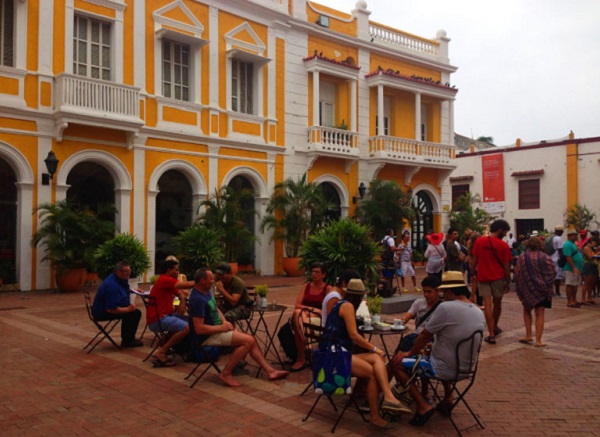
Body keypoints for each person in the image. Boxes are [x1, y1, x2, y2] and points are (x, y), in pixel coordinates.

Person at [390, 271, 486, 426]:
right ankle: (448, 397)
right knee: (427, 354)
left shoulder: (446, 307)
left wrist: (409, 353)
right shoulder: (477, 310)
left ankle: (423, 405)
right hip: (466, 369)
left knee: (397, 363)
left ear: (449, 290)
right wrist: (432, 347)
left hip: (443, 369)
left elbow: (424, 335)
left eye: (443, 290)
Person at [322, 278, 411, 429]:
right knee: (371, 372)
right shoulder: (347, 306)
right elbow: (354, 336)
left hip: (337, 352)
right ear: (358, 296)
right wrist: (374, 348)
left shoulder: (340, 304)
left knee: (377, 359)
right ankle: (376, 415)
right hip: (334, 355)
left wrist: (375, 351)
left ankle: (388, 396)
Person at [188, 268, 288, 387]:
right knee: (248, 341)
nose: (214, 281)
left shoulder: (207, 292)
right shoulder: (197, 299)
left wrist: (225, 322)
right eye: (211, 279)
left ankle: (270, 371)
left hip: (218, 329)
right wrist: (222, 328)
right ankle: (226, 373)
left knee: (251, 339)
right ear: (202, 281)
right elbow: (199, 329)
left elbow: (216, 309)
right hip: (208, 336)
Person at [469, 219, 511, 345]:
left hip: (483, 276)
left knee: (487, 305)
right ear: (499, 230)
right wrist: (508, 280)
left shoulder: (480, 241)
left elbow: (473, 260)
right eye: (504, 232)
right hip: (498, 277)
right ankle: (495, 326)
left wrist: (472, 274)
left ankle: (491, 333)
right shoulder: (503, 245)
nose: (505, 234)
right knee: (497, 303)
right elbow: (506, 265)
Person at [147, 259, 195, 366]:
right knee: (186, 327)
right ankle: (162, 352)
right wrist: (202, 280)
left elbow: (180, 293)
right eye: (176, 270)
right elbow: (186, 285)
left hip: (166, 315)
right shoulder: (165, 280)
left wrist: (182, 302)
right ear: (169, 270)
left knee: (192, 322)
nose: (178, 272)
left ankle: (168, 346)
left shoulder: (167, 282)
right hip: (158, 319)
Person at [514, 237, 556, 347]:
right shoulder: (545, 257)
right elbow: (553, 271)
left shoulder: (522, 257)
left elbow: (518, 272)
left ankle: (528, 335)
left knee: (527, 311)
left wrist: (521, 286)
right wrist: (545, 283)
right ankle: (538, 340)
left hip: (527, 289)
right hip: (542, 290)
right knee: (540, 313)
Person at [289, 263, 332, 371]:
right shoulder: (307, 286)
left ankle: (303, 353)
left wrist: (314, 311)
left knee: (298, 314)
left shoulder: (327, 288)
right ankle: (306, 340)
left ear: (324, 275)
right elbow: (297, 304)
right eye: (312, 271)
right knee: (299, 312)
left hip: (319, 316)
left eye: (317, 272)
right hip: (307, 315)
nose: (314, 274)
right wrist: (312, 309)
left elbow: (327, 310)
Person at [92, 262, 143, 348]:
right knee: (134, 314)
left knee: (133, 313)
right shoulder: (112, 286)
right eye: (126, 271)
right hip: (102, 312)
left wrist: (133, 290)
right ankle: (127, 340)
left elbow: (121, 290)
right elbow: (111, 309)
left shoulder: (117, 279)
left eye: (129, 270)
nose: (129, 273)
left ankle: (128, 338)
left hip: (105, 308)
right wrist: (128, 309)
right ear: (119, 272)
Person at [563, 229, 583, 308]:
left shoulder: (573, 244)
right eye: (574, 235)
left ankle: (574, 299)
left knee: (575, 284)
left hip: (577, 268)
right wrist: (574, 267)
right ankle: (569, 301)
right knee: (570, 284)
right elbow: (568, 256)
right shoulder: (567, 244)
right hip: (570, 268)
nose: (576, 236)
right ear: (570, 236)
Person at [581, 237, 599, 305]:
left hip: (593, 265)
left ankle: (589, 297)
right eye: (595, 242)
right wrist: (597, 254)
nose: (595, 244)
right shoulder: (586, 248)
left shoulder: (592, 248)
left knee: (591, 283)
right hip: (588, 265)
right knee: (586, 282)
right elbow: (590, 257)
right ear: (591, 242)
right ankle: (583, 298)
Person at [550, 226, 565, 298]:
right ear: (560, 231)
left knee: (551, 275)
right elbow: (560, 250)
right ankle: (558, 292)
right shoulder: (558, 238)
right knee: (557, 276)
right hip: (556, 259)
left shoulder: (551, 237)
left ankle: (551, 291)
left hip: (550, 258)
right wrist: (562, 259)